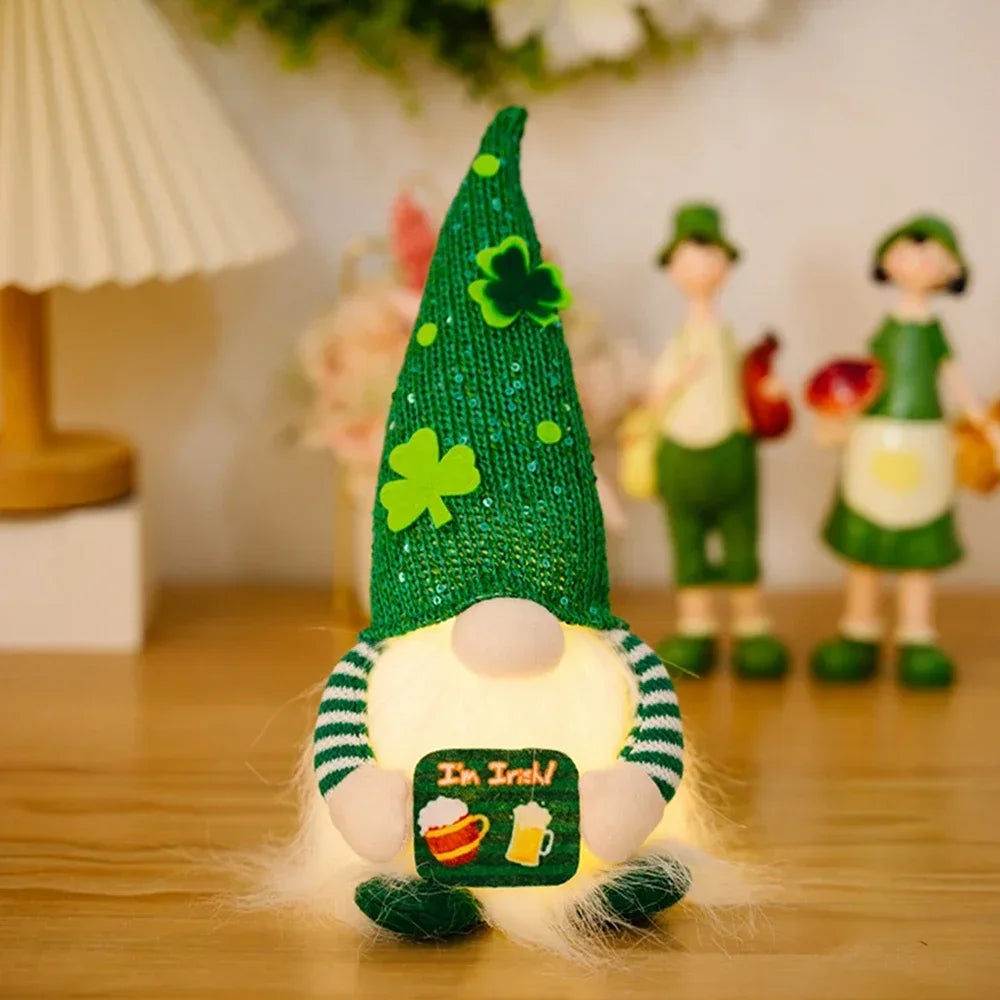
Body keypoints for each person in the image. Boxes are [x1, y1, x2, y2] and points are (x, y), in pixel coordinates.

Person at [812, 215, 999, 686]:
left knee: (919, 550)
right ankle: (859, 628)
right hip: (874, 442)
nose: (916, 259)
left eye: (930, 251)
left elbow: (956, 382)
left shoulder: (933, 332)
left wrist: (982, 423)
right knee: (865, 547)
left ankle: (917, 634)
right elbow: (872, 377)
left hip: (926, 446)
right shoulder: (889, 329)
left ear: (953, 270)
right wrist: (842, 415)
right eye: (905, 248)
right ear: (886, 262)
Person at [648, 203, 788, 679]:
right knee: (686, 544)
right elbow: (654, 395)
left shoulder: (728, 339)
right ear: (672, 268)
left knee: (741, 540)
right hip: (681, 456)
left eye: (712, 258)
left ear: (727, 266)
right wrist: (680, 378)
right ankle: (696, 625)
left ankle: (751, 625)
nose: (702, 268)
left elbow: (744, 386)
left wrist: (765, 391)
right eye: (689, 259)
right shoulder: (679, 342)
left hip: (732, 453)